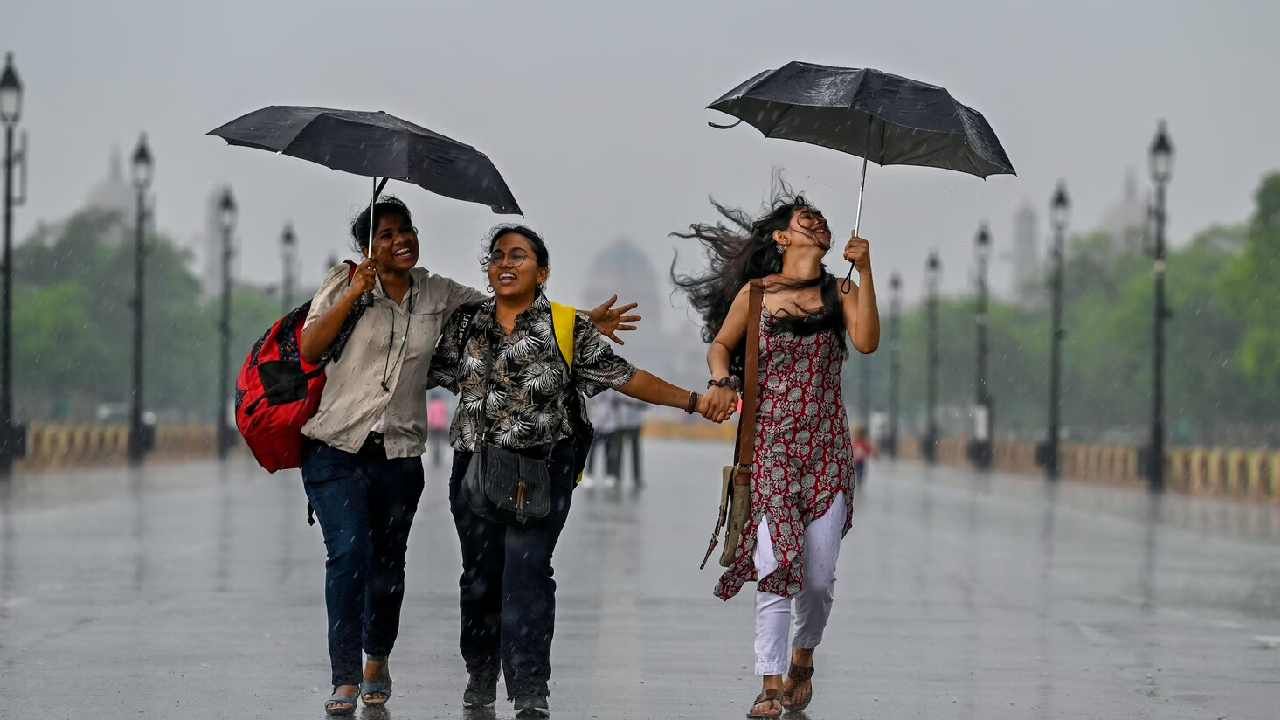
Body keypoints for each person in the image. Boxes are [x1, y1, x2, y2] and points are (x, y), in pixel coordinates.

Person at [296, 197, 639, 716]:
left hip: (398, 453)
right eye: (385, 235)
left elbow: (511, 311)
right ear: (367, 247)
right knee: (348, 554)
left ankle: (376, 657)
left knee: (388, 566)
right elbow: (310, 347)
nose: (399, 240)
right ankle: (344, 675)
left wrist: (583, 322)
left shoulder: (438, 294)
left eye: (404, 229)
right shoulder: (344, 283)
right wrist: (355, 293)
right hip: (337, 446)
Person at [428, 224, 725, 718]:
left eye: (519, 256)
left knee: (528, 575)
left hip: (538, 474)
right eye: (497, 255)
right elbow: (424, 368)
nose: (505, 262)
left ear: (542, 273)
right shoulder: (466, 324)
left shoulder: (567, 328)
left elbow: (627, 377)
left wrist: (693, 400)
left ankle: (529, 688)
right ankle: (480, 674)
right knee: (480, 577)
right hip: (475, 471)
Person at [673, 188, 879, 718]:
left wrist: (868, 270)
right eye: (805, 217)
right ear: (782, 237)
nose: (817, 222)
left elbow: (868, 341)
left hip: (828, 452)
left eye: (822, 219)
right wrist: (720, 378)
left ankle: (802, 657)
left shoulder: (842, 291)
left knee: (818, 576)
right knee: (775, 565)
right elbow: (722, 345)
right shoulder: (756, 295)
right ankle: (769, 683)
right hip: (770, 448)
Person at [427, 390, 451, 468]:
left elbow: (430, 417)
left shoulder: (431, 405)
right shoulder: (442, 405)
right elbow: (445, 416)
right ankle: (440, 457)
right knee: (441, 443)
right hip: (441, 426)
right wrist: (445, 424)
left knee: (434, 443)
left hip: (433, 427)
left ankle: (435, 458)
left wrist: (429, 426)